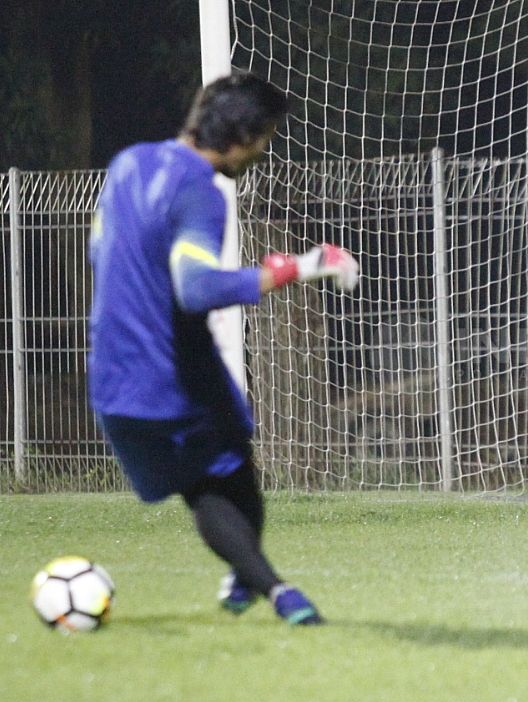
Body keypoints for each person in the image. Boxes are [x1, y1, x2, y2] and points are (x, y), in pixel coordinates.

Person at [87, 73, 360, 625]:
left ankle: (244, 586)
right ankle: (278, 592)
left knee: (215, 472)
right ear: (243, 134)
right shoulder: (200, 192)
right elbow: (196, 288)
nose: (263, 150)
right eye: (265, 137)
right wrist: (297, 268)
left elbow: (100, 250)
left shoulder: (127, 164)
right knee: (223, 482)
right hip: (170, 371)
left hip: (111, 377)